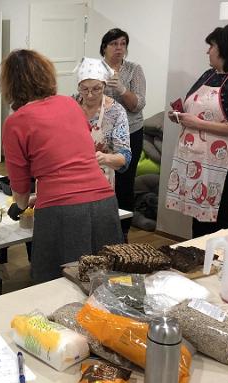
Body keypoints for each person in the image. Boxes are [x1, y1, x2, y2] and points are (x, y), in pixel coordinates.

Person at [0, 50, 123, 283]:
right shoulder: (70, 104)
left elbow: (21, 190)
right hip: (104, 201)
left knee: (60, 285)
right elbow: (73, 159)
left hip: (62, 213)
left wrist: (20, 205)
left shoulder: (16, 122)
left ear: (11, 85)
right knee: (108, 283)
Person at [166, 24, 228, 238]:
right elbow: (194, 109)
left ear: (224, 48)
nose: (208, 50)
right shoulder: (209, 75)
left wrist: (196, 123)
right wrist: (180, 115)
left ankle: (217, 267)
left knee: (219, 223)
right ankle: (200, 264)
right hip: (199, 162)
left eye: (211, 45)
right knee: (200, 220)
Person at [101, 28, 146, 240]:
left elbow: (137, 105)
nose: (119, 48)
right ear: (104, 47)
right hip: (100, 134)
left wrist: (121, 88)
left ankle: (123, 231)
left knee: (125, 181)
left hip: (130, 132)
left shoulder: (134, 70)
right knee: (100, 180)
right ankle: (102, 227)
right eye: (114, 44)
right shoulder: (95, 68)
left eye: (123, 44)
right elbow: (85, 97)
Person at [75, 57, 131, 188]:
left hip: (101, 179)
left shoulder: (116, 112)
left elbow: (125, 156)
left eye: (96, 89)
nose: (89, 95)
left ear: (104, 85)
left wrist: (106, 158)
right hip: (72, 177)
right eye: (84, 89)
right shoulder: (70, 105)